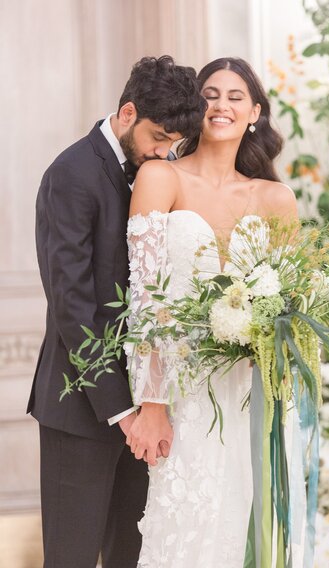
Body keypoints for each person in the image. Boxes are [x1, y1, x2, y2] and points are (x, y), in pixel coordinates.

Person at [27, 55, 207, 568]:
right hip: (81, 409)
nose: (164, 152)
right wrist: (124, 411)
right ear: (127, 112)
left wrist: (151, 401)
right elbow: (73, 304)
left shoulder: (160, 171)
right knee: (73, 558)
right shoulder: (70, 174)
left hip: (149, 407)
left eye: (174, 144)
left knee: (131, 555)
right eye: (158, 137)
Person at [125, 58, 299, 567]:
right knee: (186, 530)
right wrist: (151, 401)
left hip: (255, 394)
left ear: (255, 113)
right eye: (210, 94)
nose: (220, 105)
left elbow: (288, 304)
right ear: (194, 107)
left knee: (252, 530)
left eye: (235, 96)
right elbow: (145, 298)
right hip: (185, 393)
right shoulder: (160, 177)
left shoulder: (276, 198)